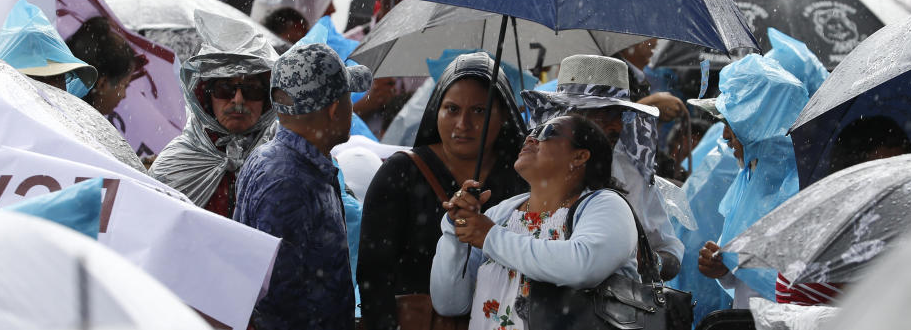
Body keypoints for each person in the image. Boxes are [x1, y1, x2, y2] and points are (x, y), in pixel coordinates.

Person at [357, 52, 528, 330]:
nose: (463, 124)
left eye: (479, 111)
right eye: (452, 109)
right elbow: (374, 274)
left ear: (505, 115)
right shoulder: (401, 174)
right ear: (435, 110)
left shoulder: (521, 178)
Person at [430, 115, 639, 328]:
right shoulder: (500, 215)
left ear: (579, 157)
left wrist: (490, 237)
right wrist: (455, 228)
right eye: (531, 133)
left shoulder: (606, 205)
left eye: (547, 133)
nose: (531, 138)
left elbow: (582, 266)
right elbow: (449, 303)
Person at [234, 42, 372, 330]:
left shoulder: (276, 159)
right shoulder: (289, 181)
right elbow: (277, 302)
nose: (352, 106)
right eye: (348, 97)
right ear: (335, 109)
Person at [522, 54, 683, 280]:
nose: (614, 125)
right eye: (598, 115)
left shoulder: (633, 174)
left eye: (617, 115)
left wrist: (648, 260)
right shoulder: (529, 170)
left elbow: (671, 253)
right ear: (567, 115)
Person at [695, 54, 808, 307]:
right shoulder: (750, 181)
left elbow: (786, 286)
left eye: (732, 124)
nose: (725, 136)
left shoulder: (802, 189)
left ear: (760, 127)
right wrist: (722, 269)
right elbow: (744, 275)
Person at [150, 10, 277, 218]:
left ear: (267, 100)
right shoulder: (174, 166)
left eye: (252, 90)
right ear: (206, 97)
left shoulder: (285, 163)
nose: (238, 100)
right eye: (225, 89)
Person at [66, 17, 139, 117]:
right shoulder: (74, 127)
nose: (124, 96)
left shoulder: (45, 99)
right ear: (102, 84)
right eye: (125, 85)